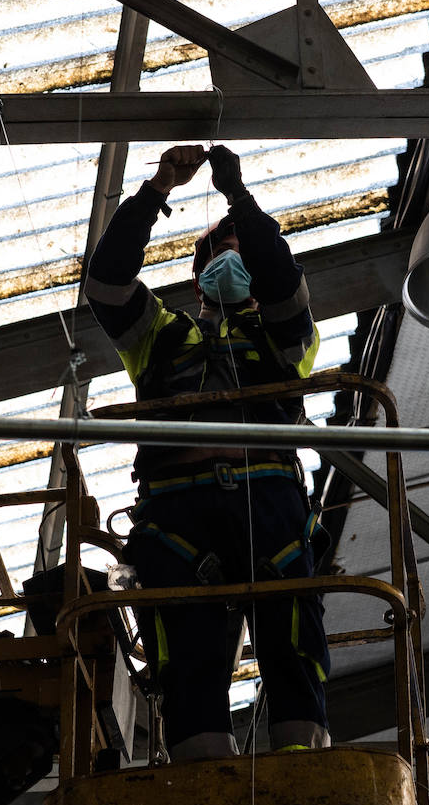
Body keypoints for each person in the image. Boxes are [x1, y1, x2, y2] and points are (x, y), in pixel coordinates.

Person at [85, 143, 330, 761]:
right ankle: (202, 769)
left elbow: (282, 282)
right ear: (198, 278)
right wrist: (157, 189)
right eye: (217, 254)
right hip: (177, 518)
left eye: (236, 251)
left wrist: (238, 200)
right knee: (187, 653)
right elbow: (108, 283)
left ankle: (304, 760)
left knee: (292, 637)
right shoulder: (161, 338)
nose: (229, 260)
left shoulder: (284, 338)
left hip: (269, 505)